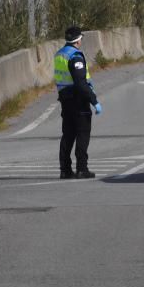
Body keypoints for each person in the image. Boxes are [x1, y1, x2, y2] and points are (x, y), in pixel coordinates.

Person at [54, 27, 102, 179]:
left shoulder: (60, 54)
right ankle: (82, 168)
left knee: (68, 135)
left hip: (65, 100)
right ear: (78, 40)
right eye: (81, 38)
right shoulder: (75, 57)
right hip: (78, 100)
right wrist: (94, 101)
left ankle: (65, 170)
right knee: (83, 134)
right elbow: (81, 83)